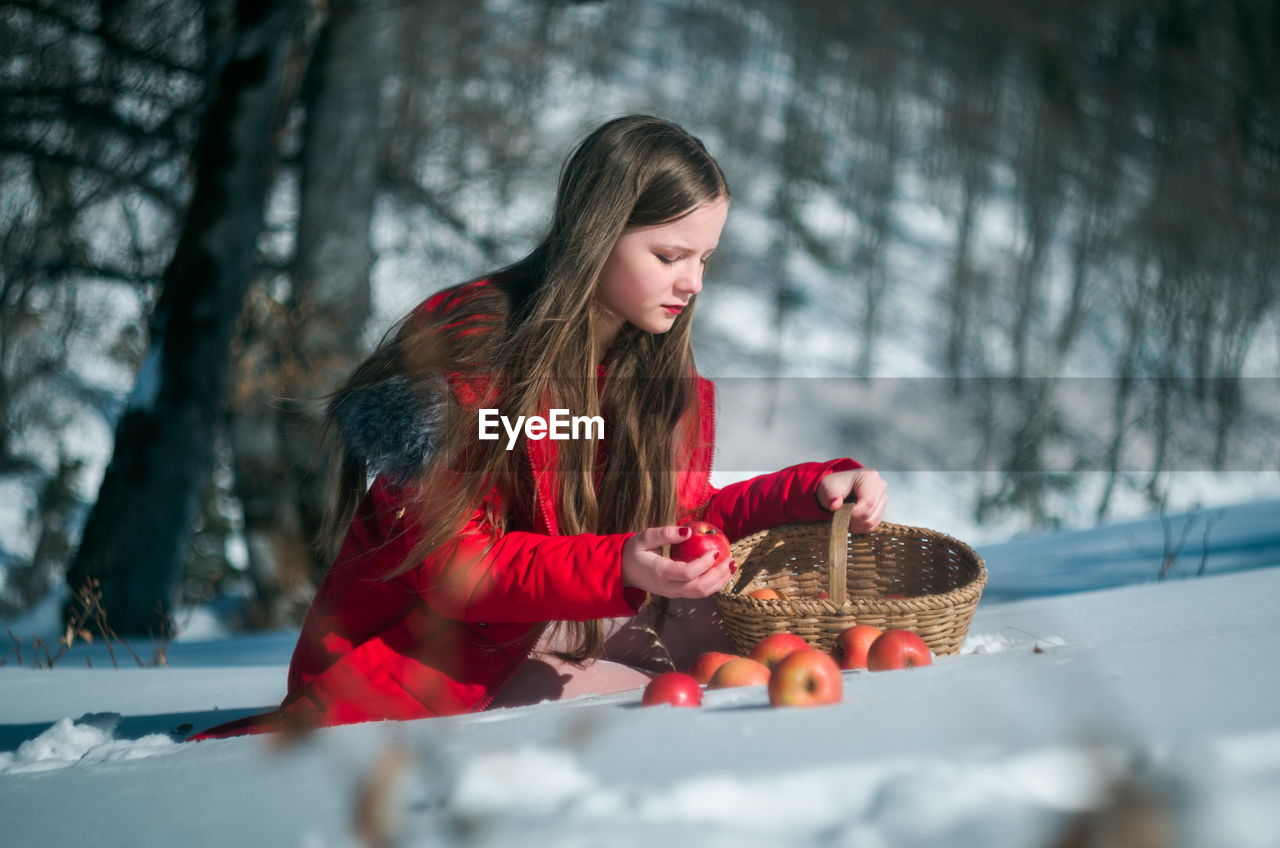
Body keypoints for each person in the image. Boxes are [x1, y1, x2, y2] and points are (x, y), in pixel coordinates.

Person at [188, 114, 886, 740]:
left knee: (750, 639)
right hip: (426, 656)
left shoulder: (648, 365)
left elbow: (679, 519)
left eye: (704, 259)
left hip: (550, 625)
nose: (692, 284)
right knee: (672, 703)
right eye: (669, 257)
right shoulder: (471, 361)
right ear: (596, 235)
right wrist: (619, 565)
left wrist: (811, 489)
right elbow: (458, 567)